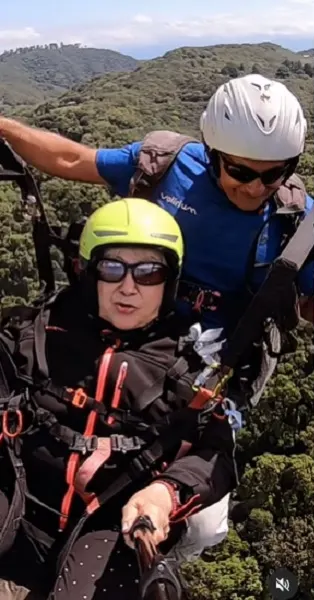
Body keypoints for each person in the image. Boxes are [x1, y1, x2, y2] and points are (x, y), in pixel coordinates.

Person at [0, 73, 314, 561]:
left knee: (206, 525)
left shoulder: (293, 224)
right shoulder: (168, 169)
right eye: (240, 172)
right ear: (212, 154)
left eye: (273, 174)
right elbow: (70, 159)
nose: (256, 188)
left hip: (207, 361)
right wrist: (4, 128)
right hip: (120, 320)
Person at [0, 199, 236, 599]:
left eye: (149, 272)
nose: (129, 287)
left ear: (170, 281)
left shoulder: (187, 365)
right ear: (89, 273)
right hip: (19, 495)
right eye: (112, 269)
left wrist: (165, 493)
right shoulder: (36, 332)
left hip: (110, 524)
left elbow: (215, 455)